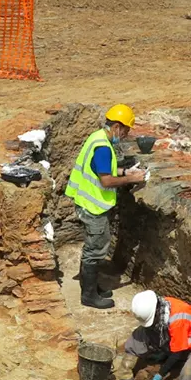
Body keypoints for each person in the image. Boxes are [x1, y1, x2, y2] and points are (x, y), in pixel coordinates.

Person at [65, 103, 147, 310]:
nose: (126, 134)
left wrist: (124, 172)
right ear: (117, 126)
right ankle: (89, 295)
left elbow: (103, 170)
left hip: (87, 202)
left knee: (93, 246)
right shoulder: (103, 148)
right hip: (93, 207)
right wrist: (131, 180)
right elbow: (106, 181)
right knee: (96, 249)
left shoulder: (97, 138)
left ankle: (89, 285)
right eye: (126, 129)